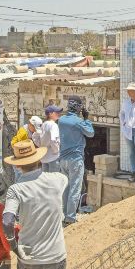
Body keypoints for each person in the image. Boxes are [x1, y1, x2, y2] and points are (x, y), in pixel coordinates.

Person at [3, 140, 68, 269]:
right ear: (39, 160)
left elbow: (7, 221)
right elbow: (65, 181)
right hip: (56, 253)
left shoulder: (15, 189)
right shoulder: (58, 179)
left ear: (18, 166)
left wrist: (14, 246)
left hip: (29, 255)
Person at [57, 97, 94, 226]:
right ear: (78, 107)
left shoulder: (61, 120)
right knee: (75, 189)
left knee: (66, 188)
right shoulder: (79, 121)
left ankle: (64, 215)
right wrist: (86, 118)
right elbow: (90, 133)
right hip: (75, 160)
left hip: (63, 159)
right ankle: (70, 218)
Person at [11, 116, 43, 181]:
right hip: (20, 156)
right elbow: (22, 149)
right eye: (35, 128)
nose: (35, 130)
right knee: (20, 175)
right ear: (31, 125)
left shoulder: (32, 131)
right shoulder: (23, 133)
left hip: (27, 156)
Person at [34, 106, 62, 173]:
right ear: (50, 114)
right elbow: (53, 140)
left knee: (45, 178)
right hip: (53, 157)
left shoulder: (43, 124)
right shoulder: (53, 125)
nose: (59, 114)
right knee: (53, 178)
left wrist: (41, 146)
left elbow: (35, 137)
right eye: (56, 112)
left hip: (44, 157)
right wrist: (56, 151)